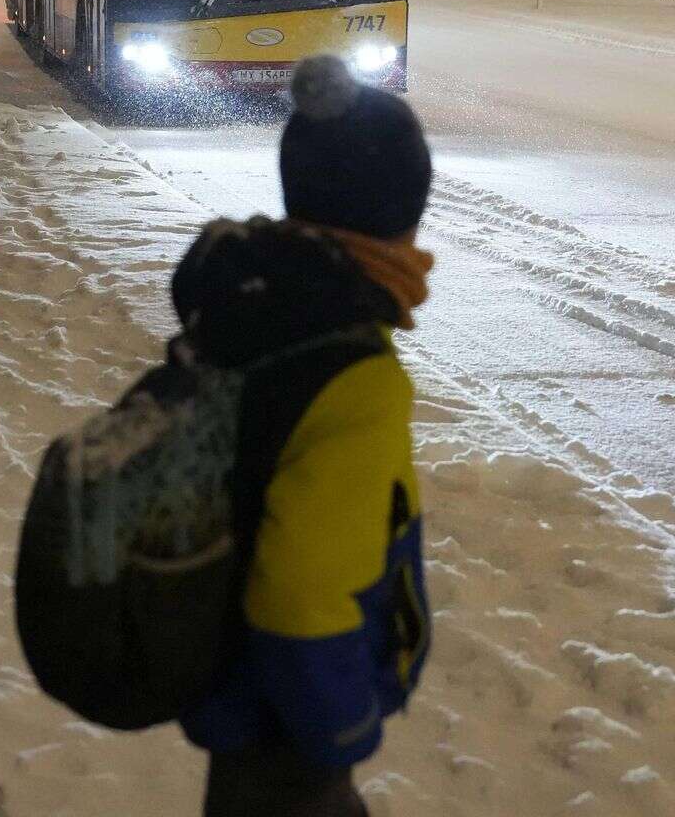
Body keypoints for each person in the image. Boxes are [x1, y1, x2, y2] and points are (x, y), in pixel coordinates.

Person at [174, 54, 435, 817]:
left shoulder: (262, 310)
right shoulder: (354, 375)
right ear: (403, 212)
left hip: (235, 689)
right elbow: (300, 595)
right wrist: (342, 725)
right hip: (290, 726)